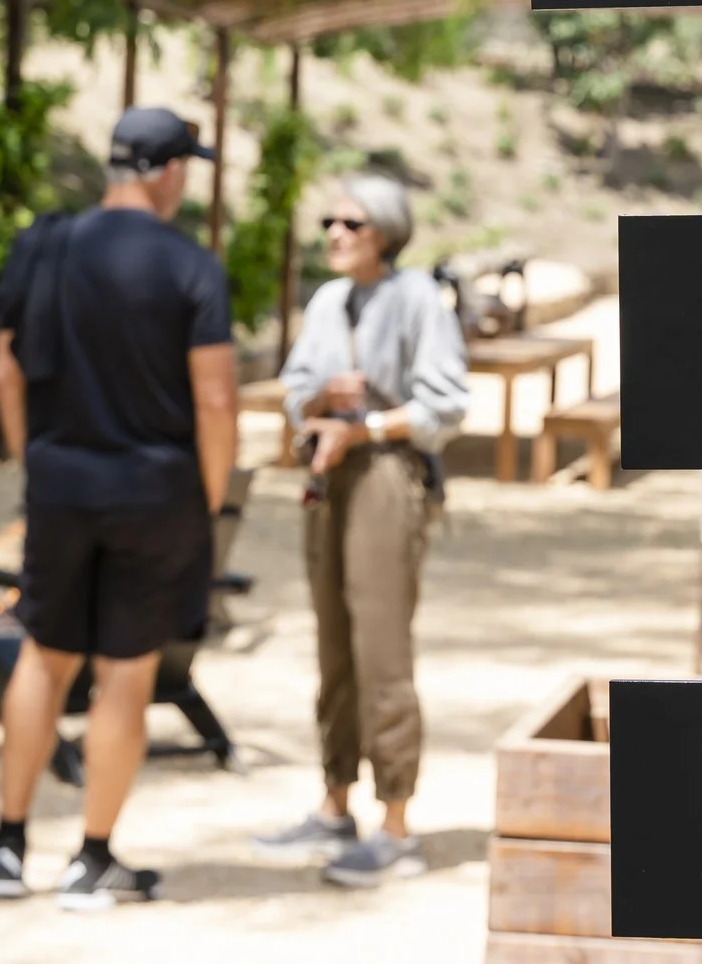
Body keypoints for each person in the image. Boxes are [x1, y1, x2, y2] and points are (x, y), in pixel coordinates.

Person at [0, 107, 240, 910]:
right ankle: (92, 858)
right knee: (124, 672)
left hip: (62, 481)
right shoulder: (191, 265)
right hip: (155, 489)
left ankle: (7, 846)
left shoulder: (49, 246)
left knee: (43, 655)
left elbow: (7, 371)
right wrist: (211, 496)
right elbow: (217, 395)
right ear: (166, 170)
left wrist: (36, 462)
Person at [255, 173, 469, 888]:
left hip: (385, 473)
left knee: (381, 648)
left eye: (352, 223)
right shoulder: (326, 301)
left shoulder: (418, 301)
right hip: (326, 473)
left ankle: (397, 824)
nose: (336, 234)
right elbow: (293, 391)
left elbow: (446, 404)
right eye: (330, 222)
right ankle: (334, 800)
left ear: (385, 230)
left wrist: (365, 424)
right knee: (332, 643)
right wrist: (321, 400)